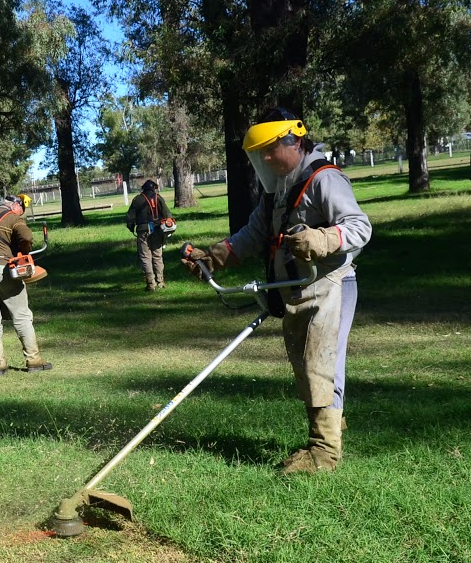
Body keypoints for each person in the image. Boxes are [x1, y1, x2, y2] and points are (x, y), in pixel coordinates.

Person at [183, 108, 372, 474]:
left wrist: (325, 237)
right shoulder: (277, 191)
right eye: (260, 154)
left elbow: (360, 227)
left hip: (330, 286)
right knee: (306, 365)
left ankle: (324, 454)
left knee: (322, 365)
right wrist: (217, 256)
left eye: (270, 149)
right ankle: (326, 431)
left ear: (295, 140)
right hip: (295, 290)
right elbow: (254, 234)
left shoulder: (323, 179)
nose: (265, 159)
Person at [0, 194, 52, 376]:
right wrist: (23, 253)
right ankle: (34, 360)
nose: (21, 212)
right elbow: (26, 236)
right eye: (20, 209)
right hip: (4, 270)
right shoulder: (14, 218)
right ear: (14, 205)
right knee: (22, 316)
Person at [126, 179, 173, 291]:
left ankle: (151, 284)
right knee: (157, 256)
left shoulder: (137, 199)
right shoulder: (159, 198)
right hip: (157, 230)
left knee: (146, 257)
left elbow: (130, 218)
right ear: (153, 188)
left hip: (142, 231)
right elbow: (167, 215)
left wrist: (131, 227)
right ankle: (160, 281)